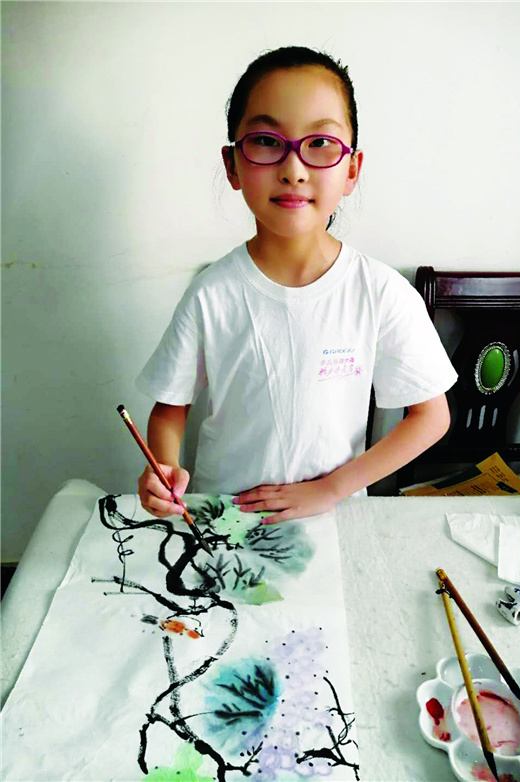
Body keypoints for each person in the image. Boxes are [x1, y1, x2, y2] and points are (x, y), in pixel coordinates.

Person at [136, 45, 458, 524]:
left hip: (333, 519)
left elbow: (431, 417)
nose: (293, 169)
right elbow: (170, 407)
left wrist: (330, 489)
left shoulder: (379, 291)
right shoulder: (211, 293)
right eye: (267, 141)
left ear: (352, 169)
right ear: (232, 165)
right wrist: (164, 468)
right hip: (225, 517)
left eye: (320, 142)